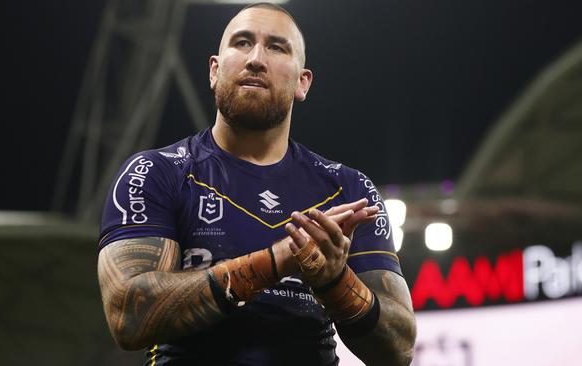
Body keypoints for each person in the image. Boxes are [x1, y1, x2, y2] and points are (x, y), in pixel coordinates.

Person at [97, 3, 416, 365]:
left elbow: (399, 349)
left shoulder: (349, 190)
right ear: (214, 70)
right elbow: (128, 315)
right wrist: (275, 263)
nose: (256, 59)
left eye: (277, 47)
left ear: (302, 82)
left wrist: (334, 281)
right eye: (242, 43)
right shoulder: (156, 173)